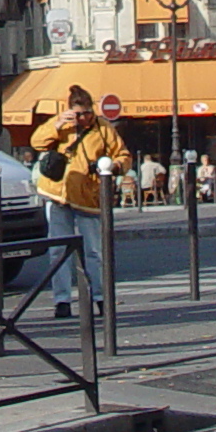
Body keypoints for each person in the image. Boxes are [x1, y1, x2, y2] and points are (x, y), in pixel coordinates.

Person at [28, 83, 132, 319]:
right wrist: (56, 124)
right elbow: (37, 142)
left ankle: (100, 297)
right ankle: (62, 300)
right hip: (59, 194)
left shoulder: (103, 129)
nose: (84, 118)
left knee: (93, 251)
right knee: (58, 251)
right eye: (79, 113)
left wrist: (113, 167)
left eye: (87, 113)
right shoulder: (62, 126)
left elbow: (124, 156)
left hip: (88, 196)